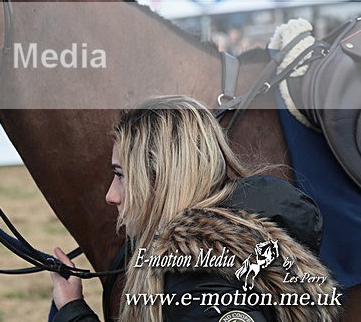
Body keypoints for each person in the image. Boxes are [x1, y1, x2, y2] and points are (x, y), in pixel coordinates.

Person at [50, 95, 342, 322]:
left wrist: (71, 312)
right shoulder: (219, 257)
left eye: (122, 175)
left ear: (161, 180)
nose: (111, 196)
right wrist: (72, 308)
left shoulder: (198, 278)